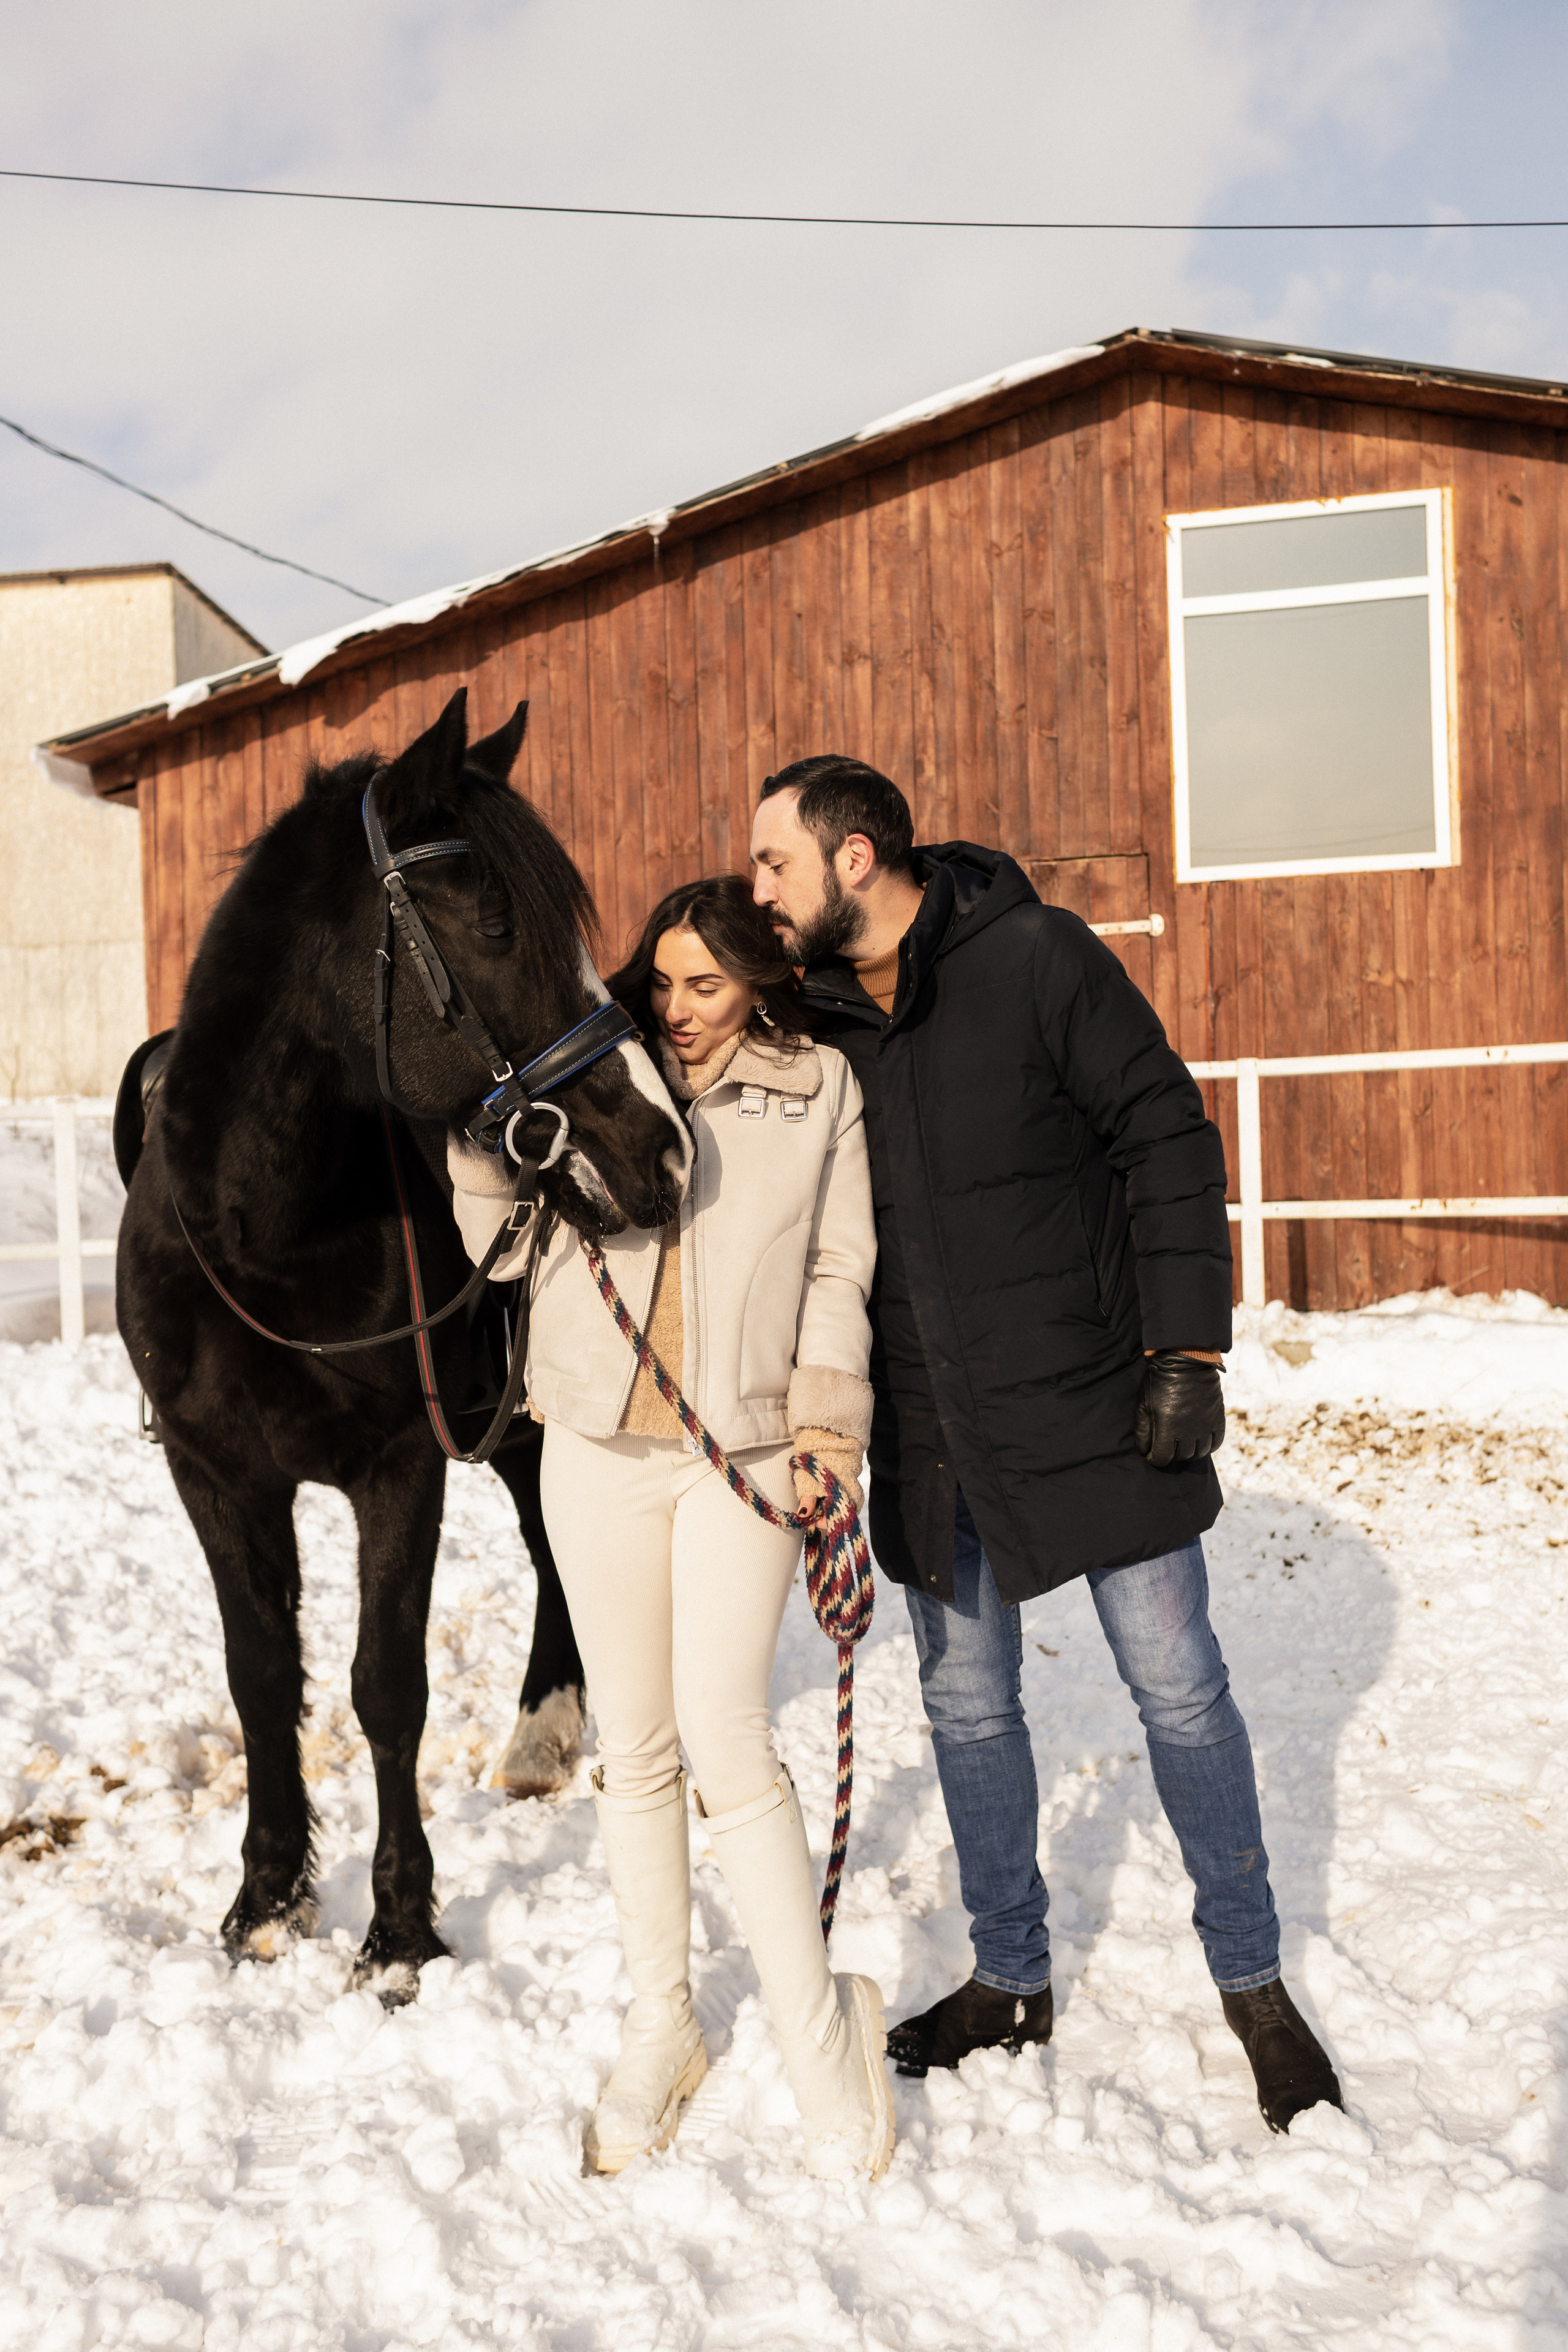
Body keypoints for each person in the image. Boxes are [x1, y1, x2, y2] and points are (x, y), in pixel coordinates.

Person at [749, 758, 1343, 2137]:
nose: (757, 887)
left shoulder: (1035, 958)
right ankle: (1009, 1978)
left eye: (775, 861)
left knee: (1179, 1693)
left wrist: (1185, 1352)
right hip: (930, 1429)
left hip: (1091, 1402)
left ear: (853, 859)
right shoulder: (814, 1021)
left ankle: (1252, 1983)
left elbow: (1163, 1133)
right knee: (967, 1711)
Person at [447, 876, 894, 2180]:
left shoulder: (817, 1088)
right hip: (595, 1441)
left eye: (708, 985)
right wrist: (481, 1140)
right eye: (664, 983)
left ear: (758, 981)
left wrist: (827, 1433)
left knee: (725, 1734)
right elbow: (503, 1250)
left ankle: (819, 2033)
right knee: (633, 1746)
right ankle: (662, 2023)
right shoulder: (600, 1073)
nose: (681, 1008)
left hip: (739, 1448)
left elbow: (838, 1267)